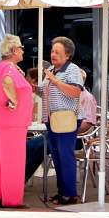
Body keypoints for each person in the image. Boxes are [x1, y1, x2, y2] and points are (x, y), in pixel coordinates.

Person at [0, 35, 33, 209]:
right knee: (13, 161)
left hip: (0, 120)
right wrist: (13, 101)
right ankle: (12, 199)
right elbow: (8, 83)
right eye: (21, 47)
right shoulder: (9, 68)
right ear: (14, 50)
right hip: (12, 122)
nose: (23, 50)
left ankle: (0, 195)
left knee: (0, 161)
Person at [41, 36, 84, 205]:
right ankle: (62, 191)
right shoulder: (52, 69)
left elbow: (75, 92)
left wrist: (55, 81)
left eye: (57, 52)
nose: (53, 54)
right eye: (52, 51)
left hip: (66, 119)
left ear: (68, 55)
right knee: (57, 157)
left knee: (65, 156)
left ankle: (71, 194)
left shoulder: (72, 69)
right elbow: (45, 92)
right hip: (51, 119)